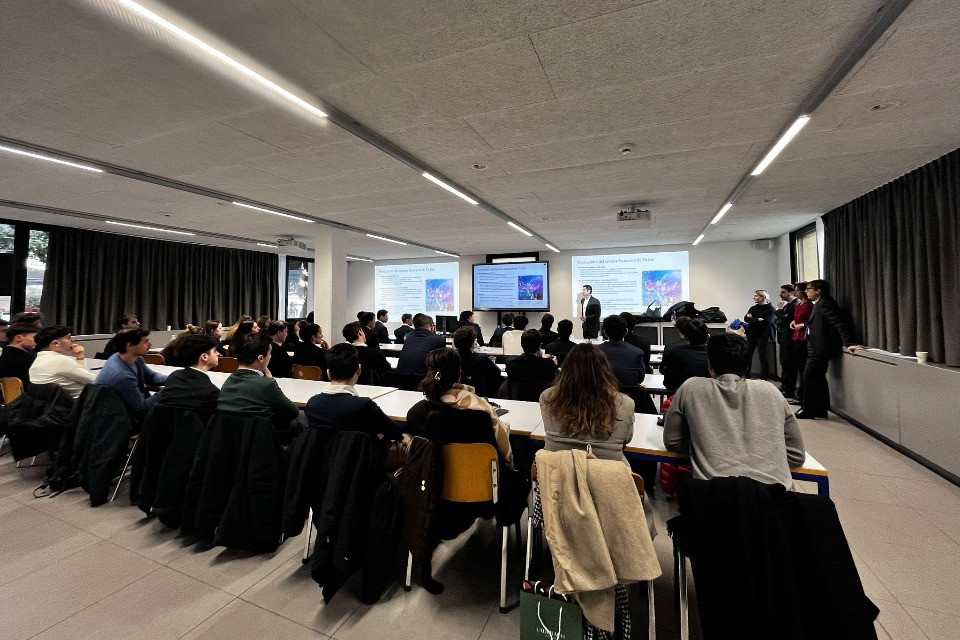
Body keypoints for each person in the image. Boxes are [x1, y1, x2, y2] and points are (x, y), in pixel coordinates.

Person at [405, 347, 519, 594]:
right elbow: (505, 454)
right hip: (485, 495)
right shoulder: (480, 412)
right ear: (459, 373)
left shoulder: (416, 414)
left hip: (434, 494)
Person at [663, 332, 806, 488]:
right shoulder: (771, 391)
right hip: (776, 497)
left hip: (715, 495)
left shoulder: (691, 388)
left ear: (709, 364)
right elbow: (796, 456)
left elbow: (672, 442)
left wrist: (706, 445)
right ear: (747, 366)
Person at [541, 343, 635, 464]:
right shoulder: (626, 403)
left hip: (555, 470)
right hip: (608, 471)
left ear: (566, 369)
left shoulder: (547, 397)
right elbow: (626, 439)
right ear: (605, 370)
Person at [304, 343, 403, 442]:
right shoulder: (364, 406)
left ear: (328, 373)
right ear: (359, 370)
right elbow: (395, 431)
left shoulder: (312, 405)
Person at [797, 279, 862, 419]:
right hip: (816, 346)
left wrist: (849, 343)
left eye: (809, 289)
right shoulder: (819, 303)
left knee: (809, 377)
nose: (806, 292)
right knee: (818, 378)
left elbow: (838, 322)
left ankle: (808, 409)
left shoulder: (825, 303)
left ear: (818, 290)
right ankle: (821, 409)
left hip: (821, 348)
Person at [217, 333, 300, 436]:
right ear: (260, 359)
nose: (270, 356)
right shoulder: (267, 385)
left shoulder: (228, 382)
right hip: (262, 438)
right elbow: (293, 412)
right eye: (269, 354)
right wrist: (271, 380)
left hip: (231, 438)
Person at [94, 328, 168, 416]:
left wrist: (174, 378)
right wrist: (167, 391)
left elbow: (152, 377)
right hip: (122, 417)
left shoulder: (133, 358)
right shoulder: (122, 376)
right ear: (130, 345)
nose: (150, 344)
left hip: (128, 410)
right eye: (145, 342)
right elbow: (141, 408)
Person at [157, 332, 221, 423]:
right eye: (215, 351)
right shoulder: (212, 393)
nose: (218, 353)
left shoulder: (174, 377)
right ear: (204, 357)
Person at [29, 325, 95, 398]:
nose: (72, 340)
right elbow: (92, 381)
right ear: (56, 343)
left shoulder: (38, 360)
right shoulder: (61, 360)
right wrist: (81, 359)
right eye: (68, 337)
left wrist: (79, 357)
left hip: (52, 403)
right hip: (78, 401)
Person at [659, 316, 710, 391]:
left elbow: (668, 383)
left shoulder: (674, 352)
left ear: (685, 337)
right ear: (708, 337)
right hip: (709, 395)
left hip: (681, 395)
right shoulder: (715, 353)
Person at [597, 315, 646, 387]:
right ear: (626, 331)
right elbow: (640, 379)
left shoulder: (596, 351)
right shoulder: (637, 353)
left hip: (603, 392)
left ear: (604, 332)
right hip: (629, 393)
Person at [452, 326, 501, 398]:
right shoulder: (482, 358)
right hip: (478, 395)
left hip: (457, 395)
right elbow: (497, 372)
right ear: (472, 343)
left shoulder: (452, 358)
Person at [788, 282, 812, 405]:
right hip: (796, 337)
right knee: (798, 367)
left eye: (797, 290)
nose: (795, 292)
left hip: (804, 338)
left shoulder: (809, 305)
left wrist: (802, 325)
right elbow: (798, 318)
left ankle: (802, 395)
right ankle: (800, 393)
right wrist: (794, 322)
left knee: (803, 369)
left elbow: (811, 321)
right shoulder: (798, 305)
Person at [775, 284, 800, 398]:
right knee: (784, 363)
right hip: (783, 338)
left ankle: (789, 389)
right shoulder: (787, 305)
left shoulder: (795, 304)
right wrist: (781, 315)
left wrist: (778, 311)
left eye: (783, 292)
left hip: (790, 339)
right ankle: (785, 387)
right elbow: (778, 321)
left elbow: (785, 320)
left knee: (790, 365)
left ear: (791, 293)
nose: (780, 294)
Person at [743, 289, 775, 379]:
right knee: (747, 355)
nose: (754, 297)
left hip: (762, 335)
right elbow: (746, 319)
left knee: (763, 356)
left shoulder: (771, 309)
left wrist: (752, 319)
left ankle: (763, 378)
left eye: (756, 296)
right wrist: (757, 319)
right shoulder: (753, 308)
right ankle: (746, 376)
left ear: (763, 297)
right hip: (751, 334)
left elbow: (767, 322)